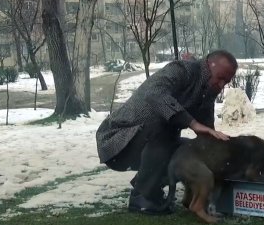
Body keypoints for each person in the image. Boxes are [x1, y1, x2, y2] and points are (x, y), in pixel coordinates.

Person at [96, 50, 238, 215]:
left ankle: (150, 186)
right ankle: (141, 197)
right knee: (164, 129)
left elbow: (205, 133)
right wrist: (192, 123)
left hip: (147, 141)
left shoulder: (207, 92)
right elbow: (154, 94)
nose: (221, 86)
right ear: (209, 65)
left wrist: (222, 152)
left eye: (226, 82)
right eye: (220, 78)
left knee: (190, 151)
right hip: (117, 140)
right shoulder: (181, 70)